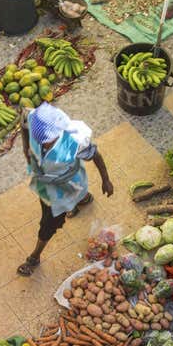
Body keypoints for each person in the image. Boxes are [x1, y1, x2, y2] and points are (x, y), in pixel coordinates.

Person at [17, 103, 113, 277]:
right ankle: (82, 200)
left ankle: (35, 256)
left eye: (47, 141)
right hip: (46, 182)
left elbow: (96, 155)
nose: (43, 144)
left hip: (64, 188)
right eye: (40, 141)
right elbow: (23, 123)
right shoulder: (33, 116)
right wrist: (26, 147)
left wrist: (106, 180)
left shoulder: (75, 140)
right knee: (75, 196)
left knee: (48, 224)